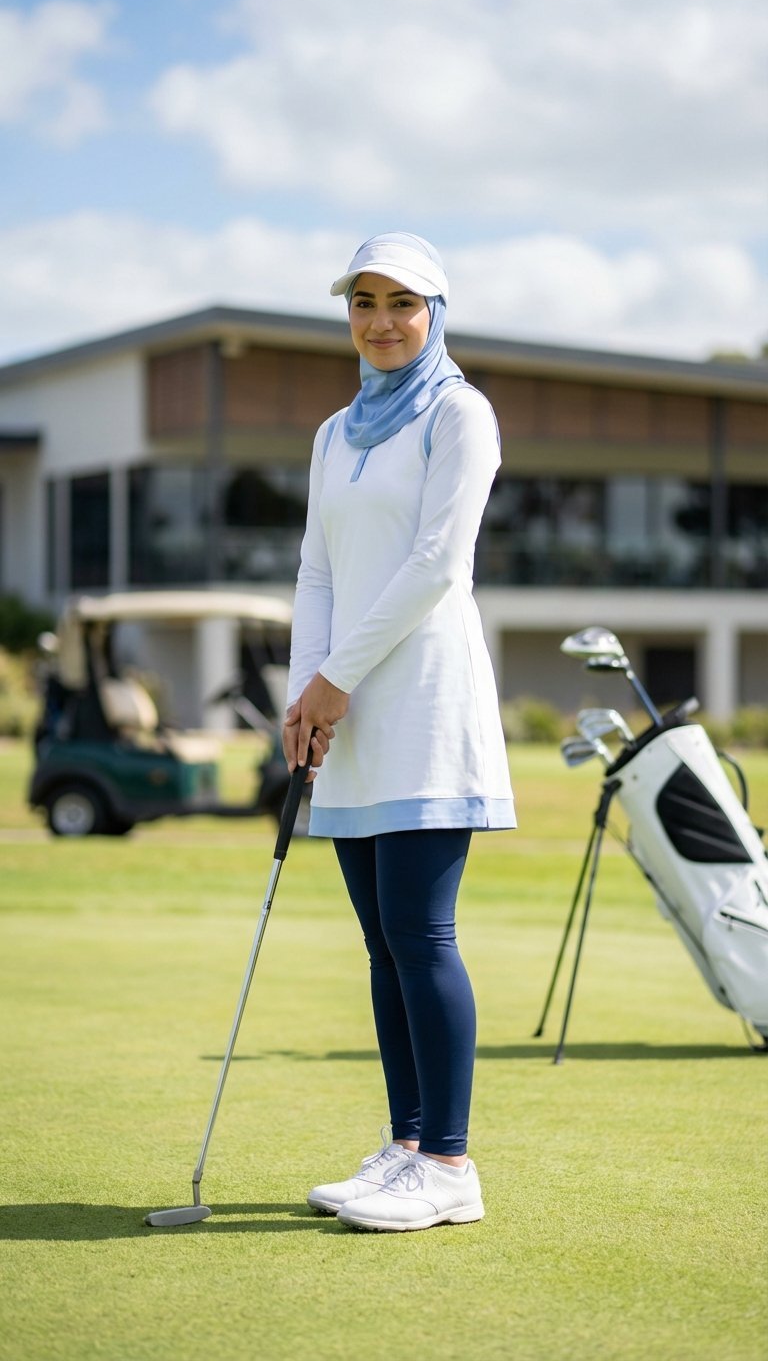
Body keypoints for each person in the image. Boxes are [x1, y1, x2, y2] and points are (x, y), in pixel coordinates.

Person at [283, 232, 516, 1233]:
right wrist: (304, 697)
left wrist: (337, 677)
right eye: (364, 301)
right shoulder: (335, 432)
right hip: (348, 715)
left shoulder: (461, 414)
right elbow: (318, 571)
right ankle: (409, 1144)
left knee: (421, 934)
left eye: (402, 303)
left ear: (436, 311)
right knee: (381, 944)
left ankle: (451, 1162)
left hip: (422, 703)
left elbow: (435, 566)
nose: (382, 320)